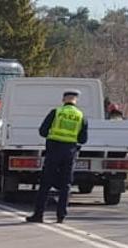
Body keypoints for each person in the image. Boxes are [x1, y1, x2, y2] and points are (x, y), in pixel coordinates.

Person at [26, 89, 89, 224]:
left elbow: (42, 131)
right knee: (66, 184)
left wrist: (53, 135)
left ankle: (39, 214)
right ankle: (61, 216)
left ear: (63, 99)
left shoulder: (56, 112)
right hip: (70, 152)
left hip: (54, 150)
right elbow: (83, 139)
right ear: (75, 100)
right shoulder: (81, 116)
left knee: (46, 183)